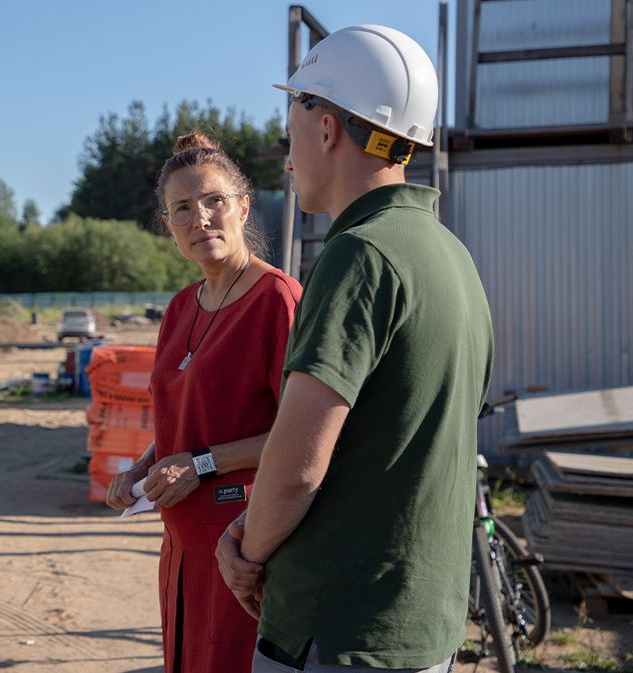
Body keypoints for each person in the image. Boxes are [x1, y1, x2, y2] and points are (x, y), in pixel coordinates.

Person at [214, 25, 494, 672]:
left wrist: (246, 552)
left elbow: (299, 462)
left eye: (290, 138)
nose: (287, 160)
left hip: (338, 629)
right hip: (422, 627)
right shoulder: (452, 257)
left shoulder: (358, 255)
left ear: (327, 128)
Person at [105, 133, 302, 672]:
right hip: (183, 549)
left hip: (246, 548)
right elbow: (185, 423)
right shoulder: (178, 307)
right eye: (183, 209)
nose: (201, 220)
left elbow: (304, 437)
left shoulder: (276, 301)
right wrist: (142, 467)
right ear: (168, 225)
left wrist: (201, 463)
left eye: (214, 202)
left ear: (242, 206)